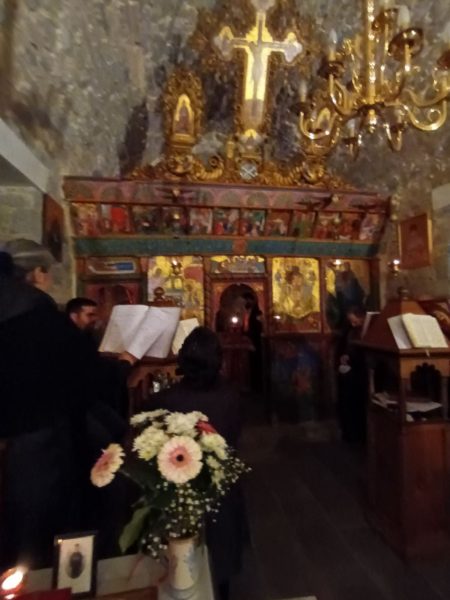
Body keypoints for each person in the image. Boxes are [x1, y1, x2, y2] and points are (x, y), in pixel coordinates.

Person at [0, 240, 100, 569]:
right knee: (37, 537)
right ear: (38, 273)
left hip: (12, 438)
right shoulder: (41, 316)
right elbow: (84, 378)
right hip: (40, 446)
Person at [147, 327, 245, 600]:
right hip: (220, 493)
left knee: (181, 564)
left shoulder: (164, 400)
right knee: (220, 554)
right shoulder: (230, 397)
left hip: (177, 492)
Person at [336, 306, 368, 443]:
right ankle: (349, 435)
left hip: (361, 375)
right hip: (352, 374)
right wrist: (345, 356)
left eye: (355, 321)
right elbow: (347, 349)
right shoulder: (350, 331)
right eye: (351, 322)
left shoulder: (369, 331)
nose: (353, 324)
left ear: (363, 318)